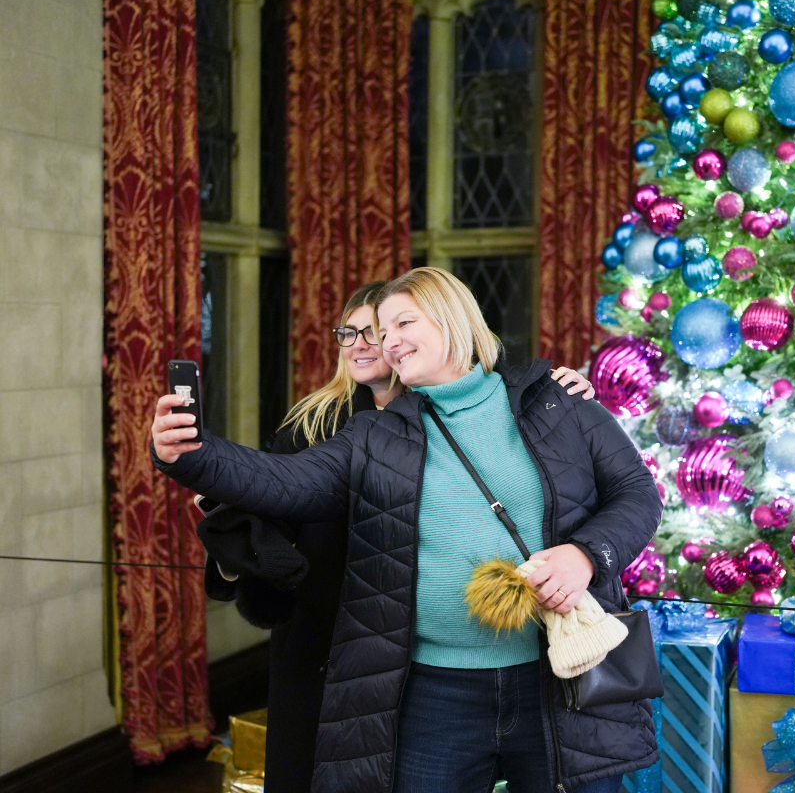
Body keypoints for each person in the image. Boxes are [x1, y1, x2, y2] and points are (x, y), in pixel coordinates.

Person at [152, 267, 661, 793]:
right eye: (380, 331)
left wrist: (584, 555)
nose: (388, 342)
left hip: (557, 678)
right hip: (436, 696)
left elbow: (638, 493)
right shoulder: (376, 431)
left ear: (451, 319)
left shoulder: (555, 400)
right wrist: (191, 453)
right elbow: (284, 480)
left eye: (402, 324)